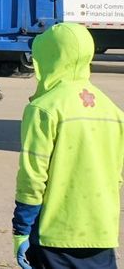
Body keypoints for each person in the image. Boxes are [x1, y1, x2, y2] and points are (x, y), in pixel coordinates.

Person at [12, 21, 124, 269]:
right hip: (101, 232)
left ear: (49, 57)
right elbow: (116, 176)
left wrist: (21, 228)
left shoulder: (43, 108)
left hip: (55, 235)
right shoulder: (113, 111)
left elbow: (33, 177)